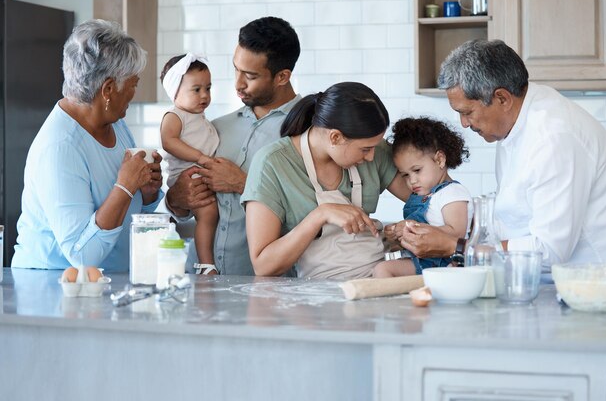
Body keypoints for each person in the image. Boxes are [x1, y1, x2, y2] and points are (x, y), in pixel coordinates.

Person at [400, 39, 606, 271]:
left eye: (467, 112)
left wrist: (456, 247)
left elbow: (550, 250)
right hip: (545, 277)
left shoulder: (553, 138)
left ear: (502, 99)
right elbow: (515, 212)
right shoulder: (516, 121)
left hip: (592, 280)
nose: (464, 124)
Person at [12, 19, 164, 272]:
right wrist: (126, 186)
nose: (134, 93)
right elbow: (83, 256)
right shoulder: (60, 147)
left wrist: (146, 192)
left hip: (106, 285)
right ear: (108, 89)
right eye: (133, 84)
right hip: (53, 289)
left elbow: (126, 210)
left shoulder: (114, 123)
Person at [165, 16, 301, 276]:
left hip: (268, 291)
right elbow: (182, 209)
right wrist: (176, 199)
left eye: (249, 76)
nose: (238, 83)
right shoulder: (213, 128)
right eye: (235, 69)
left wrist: (242, 183)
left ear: (282, 76)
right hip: (200, 286)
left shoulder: (308, 131)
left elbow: (316, 220)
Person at [242, 82, 411, 279]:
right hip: (316, 294)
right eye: (365, 149)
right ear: (335, 137)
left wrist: (410, 231)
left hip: (378, 281)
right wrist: (321, 215)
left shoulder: (375, 150)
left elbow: (430, 200)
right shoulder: (271, 164)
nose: (371, 157)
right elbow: (263, 266)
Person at [372, 117, 472, 278]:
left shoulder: (453, 193)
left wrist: (412, 227)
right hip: (425, 259)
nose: (412, 181)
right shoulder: (425, 195)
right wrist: (397, 235)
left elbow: (456, 234)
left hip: (446, 262)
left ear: (440, 160)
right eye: (405, 175)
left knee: (384, 270)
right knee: (382, 268)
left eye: (417, 170)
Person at [159, 53, 220, 274]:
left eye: (208, 88)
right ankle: (206, 263)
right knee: (209, 213)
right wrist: (200, 158)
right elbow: (168, 142)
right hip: (187, 173)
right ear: (175, 91)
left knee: (212, 213)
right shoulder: (174, 116)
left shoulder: (198, 117)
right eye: (196, 90)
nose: (204, 95)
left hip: (197, 171)